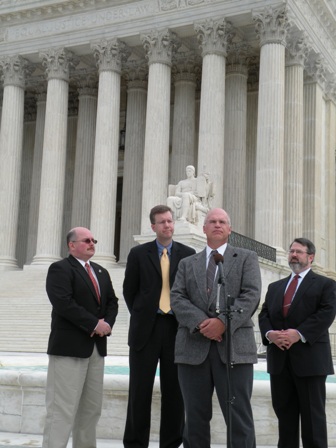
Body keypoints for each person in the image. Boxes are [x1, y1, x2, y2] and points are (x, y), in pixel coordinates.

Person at [170, 208, 261, 448]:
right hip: (193, 348)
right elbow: (177, 297)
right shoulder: (187, 263)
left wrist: (223, 323)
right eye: (212, 221)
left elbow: (251, 295)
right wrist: (201, 324)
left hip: (234, 349)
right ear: (204, 228)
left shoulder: (246, 258)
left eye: (222, 222)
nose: (217, 225)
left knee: (238, 416)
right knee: (195, 417)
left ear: (229, 229)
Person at [123, 205, 196, 448]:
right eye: (162, 222)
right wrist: (144, 313)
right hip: (146, 329)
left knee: (175, 392)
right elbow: (129, 291)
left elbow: (192, 291)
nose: (168, 225)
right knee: (139, 391)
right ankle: (135, 443)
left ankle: (171, 443)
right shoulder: (138, 254)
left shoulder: (188, 254)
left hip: (177, 329)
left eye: (170, 221)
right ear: (153, 227)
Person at [42, 227, 119, 448]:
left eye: (93, 239)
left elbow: (112, 302)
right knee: (61, 410)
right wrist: (94, 324)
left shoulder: (101, 271)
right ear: (71, 245)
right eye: (86, 240)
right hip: (69, 349)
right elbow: (63, 303)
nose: (92, 243)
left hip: (96, 349)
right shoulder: (60, 269)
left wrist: (106, 325)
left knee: (91, 410)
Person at [258, 237, 336, 448]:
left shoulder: (326, 284)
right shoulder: (275, 287)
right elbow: (264, 315)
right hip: (280, 362)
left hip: (310, 362)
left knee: (313, 420)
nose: (293, 254)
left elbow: (326, 314)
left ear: (310, 257)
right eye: (292, 251)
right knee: (285, 419)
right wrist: (270, 334)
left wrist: (298, 334)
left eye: (299, 252)